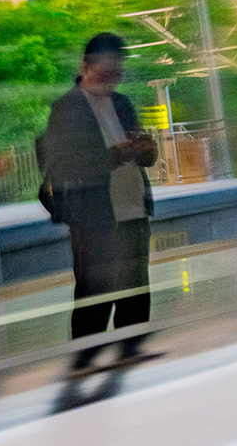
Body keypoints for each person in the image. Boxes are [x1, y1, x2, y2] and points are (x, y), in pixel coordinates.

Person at [37, 33, 159, 377]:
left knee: (135, 279)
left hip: (132, 203)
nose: (112, 81)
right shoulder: (67, 109)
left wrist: (144, 148)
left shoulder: (122, 103)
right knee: (95, 283)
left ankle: (130, 346)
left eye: (117, 74)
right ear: (86, 67)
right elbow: (64, 166)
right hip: (94, 213)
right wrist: (112, 156)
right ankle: (85, 357)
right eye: (105, 73)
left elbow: (145, 156)